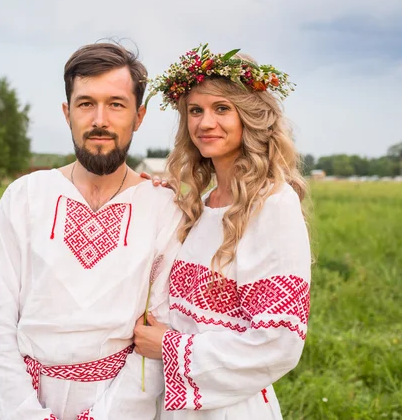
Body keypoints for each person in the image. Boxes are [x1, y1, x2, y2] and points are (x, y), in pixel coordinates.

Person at [0, 42, 183, 420]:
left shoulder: (164, 208)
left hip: (120, 404)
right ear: (67, 112)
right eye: (86, 103)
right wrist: (25, 414)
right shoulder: (25, 196)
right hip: (27, 400)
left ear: (139, 116)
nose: (100, 119)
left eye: (116, 104)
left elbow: (159, 331)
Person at [133, 44, 311, 419]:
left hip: (232, 408)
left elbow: (280, 342)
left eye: (221, 109)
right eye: (195, 110)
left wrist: (170, 347)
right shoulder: (207, 203)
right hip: (178, 405)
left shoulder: (274, 205)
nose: (204, 123)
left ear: (251, 116)